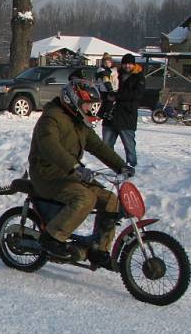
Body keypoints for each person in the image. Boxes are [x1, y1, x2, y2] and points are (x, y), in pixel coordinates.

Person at [28, 78, 133, 264]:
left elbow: (98, 146)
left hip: (69, 173)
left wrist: (120, 165)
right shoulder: (51, 118)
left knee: (110, 200)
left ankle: (99, 249)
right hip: (47, 175)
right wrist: (75, 166)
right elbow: (49, 146)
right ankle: (52, 237)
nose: (90, 110)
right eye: (87, 105)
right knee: (85, 198)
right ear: (73, 101)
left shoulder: (79, 122)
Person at [101, 53, 144, 167]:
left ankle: (131, 166)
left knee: (129, 145)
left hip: (127, 116)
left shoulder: (139, 77)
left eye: (130, 64)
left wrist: (118, 96)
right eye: (125, 63)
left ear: (134, 65)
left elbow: (137, 94)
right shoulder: (115, 74)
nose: (127, 66)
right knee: (106, 145)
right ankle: (111, 165)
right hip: (111, 114)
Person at [94, 52, 117, 121]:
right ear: (103, 63)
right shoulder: (103, 71)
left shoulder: (109, 70)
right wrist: (110, 90)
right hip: (106, 90)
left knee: (106, 103)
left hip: (108, 89)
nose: (108, 64)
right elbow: (106, 81)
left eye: (109, 62)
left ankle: (101, 115)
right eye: (106, 62)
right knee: (108, 103)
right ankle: (105, 114)